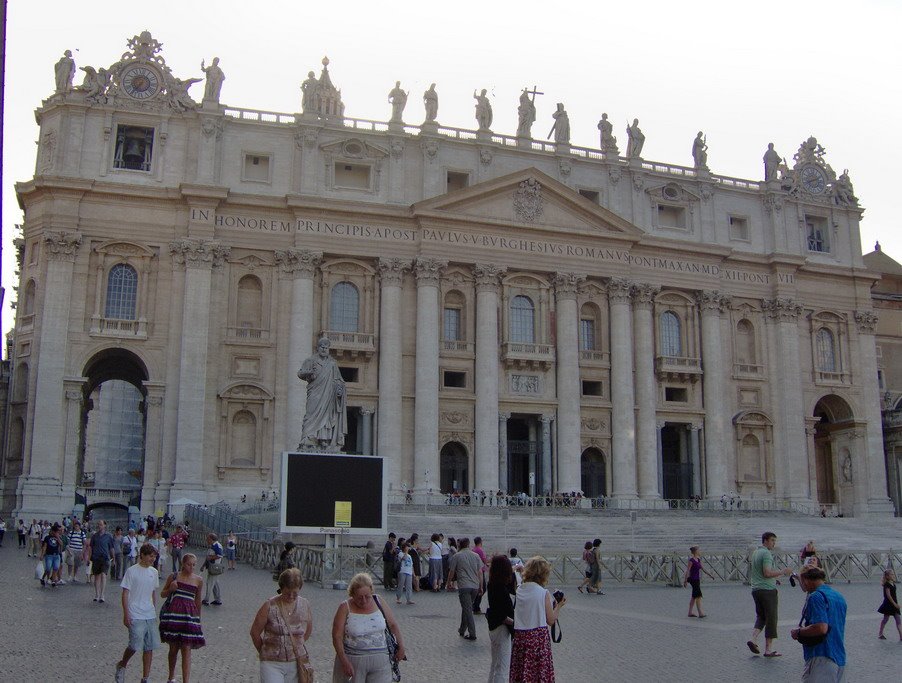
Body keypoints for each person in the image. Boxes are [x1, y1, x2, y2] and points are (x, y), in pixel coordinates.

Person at [331, 572, 405, 682]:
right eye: (360, 598)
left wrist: (401, 646)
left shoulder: (379, 601)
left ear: (371, 591)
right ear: (352, 594)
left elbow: (393, 625)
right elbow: (337, 636)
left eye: (367, 596)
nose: (364, 601)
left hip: (381, 662)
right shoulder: (344, 607)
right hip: (353, 663)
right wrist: (344, 661)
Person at [250, 567, 314, 683]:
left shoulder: (305, 605)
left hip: (296, 661)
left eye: (295, 593)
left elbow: (308, 630)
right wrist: (265, 651)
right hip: (271, 663)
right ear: (281, 588)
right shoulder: (269, 606)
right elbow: (254, 632)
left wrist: (297, 644)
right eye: (287, 592)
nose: (291, 596)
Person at [510, 556, 565, 682]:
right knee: (538, 674)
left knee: (522, 671)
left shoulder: (519, 590)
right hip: (537, 638)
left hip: (520, 637)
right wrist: (559, 606)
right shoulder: (542, 592)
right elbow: (551, 620)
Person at [790, 566, 847, 681]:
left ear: (806, 579)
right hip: (839, 656)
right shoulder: (839, 597)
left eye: (802, 581)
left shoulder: (816, 596)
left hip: (820, 655)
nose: (803, 586)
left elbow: (821, 628)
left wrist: (798, 631)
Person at [115, 543, 161, 683]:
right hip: (135, 613)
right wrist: (126, 613)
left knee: (149, 647)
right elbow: (125, 593)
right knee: (134, 645)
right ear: (142, 555)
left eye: (154, 556)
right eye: (150, 556)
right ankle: (122, 664)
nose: (152, 559)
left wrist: (154, 608)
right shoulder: (131, 571)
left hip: (149, 614)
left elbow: (153, 592)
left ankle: (146, 677)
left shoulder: (154, 572)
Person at [160, 553, 205, 683]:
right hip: (174, 615)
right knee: (173, 649)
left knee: (186, 648)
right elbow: (163, 594)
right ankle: (171, 676)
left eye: (194, 565)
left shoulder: (198, 580)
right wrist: (171, 589)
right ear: (183, 564)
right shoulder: (174, 577)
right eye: (189, 564)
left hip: (189, 617)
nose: (191, 567)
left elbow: (198, 600)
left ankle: (186, 680)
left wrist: (198, 619)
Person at [747, 531, 793, 657]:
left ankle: (753, 639)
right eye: (772, 540)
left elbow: (761, 573)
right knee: (771, 619)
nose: (774, 543)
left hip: (756, 589)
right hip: (767, 591)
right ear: (765, 540)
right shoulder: (766, 553)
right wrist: (783, 571)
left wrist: (774, 579)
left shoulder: (756, 552)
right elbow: (767, 573)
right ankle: (768, 649)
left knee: (761, 616)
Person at [297, 337, 347, 450]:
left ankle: (324, 439)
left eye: (326, 347)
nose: (324, 349)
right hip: (315, 392)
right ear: (318, 348)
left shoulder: (332, 364)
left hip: (328, 395)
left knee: (327, 417)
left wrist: (339, 390)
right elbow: (300, 373)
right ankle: (308, 437)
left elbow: (339, 380)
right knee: (310, 414)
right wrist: (309, 372)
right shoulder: (310, 361)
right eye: (322, 347)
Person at [486, 555, 516, 683]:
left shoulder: (492, 583)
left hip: (493, 627)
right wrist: (517, 624)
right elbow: (503, 615)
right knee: (503, 667)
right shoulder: (501, 590)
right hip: (502, 628)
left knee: (495, 664)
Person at [447, 537, 483, 640]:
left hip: (464, 586)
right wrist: (481, 586)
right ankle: (462, 629)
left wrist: (448, 583)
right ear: (468, 545)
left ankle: (473, 633)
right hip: (475, 586)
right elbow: (480, 572)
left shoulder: (457, 556)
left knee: (467, 609)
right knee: (466, 607)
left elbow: (452, 571)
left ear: (459, 545)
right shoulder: (475, 556)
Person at [683, 546, 715, 618]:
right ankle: (700, 613)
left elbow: (703, 569)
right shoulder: (691, 560)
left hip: (697, 579)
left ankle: (690, 612)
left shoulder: (698, 559)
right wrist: (685, 581)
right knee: (698, 596)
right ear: (695, 551)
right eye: (698, 550)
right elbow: (688, 570)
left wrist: (710, 575)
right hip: (693, 580)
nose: (700, 551)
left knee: (694, 596)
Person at [88, 519, 116, 602]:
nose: (99, 526)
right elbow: (90, 547)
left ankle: (102, 594)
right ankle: (97, 594)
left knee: (103, 575)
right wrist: (89, 557)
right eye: (98, 524)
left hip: (105, 558)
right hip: (96, 558)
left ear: (104, 525)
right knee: (97, 576)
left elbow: (111, 548)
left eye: (101, 524)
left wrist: (113, 558)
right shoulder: (94, 536)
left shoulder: (109, 536)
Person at [877, 569, 902, 641]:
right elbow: (888, 596)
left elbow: (894, 595)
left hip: (894, 604)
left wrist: (896, 604)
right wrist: (895, 604)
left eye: (892, 574)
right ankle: (880, 633)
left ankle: (901, 636)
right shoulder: (886, 585)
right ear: (887, 576)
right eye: (891, 574)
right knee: (885, 619)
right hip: (888, 604)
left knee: (898, 620)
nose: (893, 575)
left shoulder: (893, 583)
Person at [202, 533, 224, 606]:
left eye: (208, 539)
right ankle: (218, 599)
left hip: (214, 566)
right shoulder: (214, 545)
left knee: (210, 582)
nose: (206, 540)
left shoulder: (216, 546)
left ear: (211, 539)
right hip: (213, 566)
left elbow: (219, 555)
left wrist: (211, 558)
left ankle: (206, 599)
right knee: (215, 583)